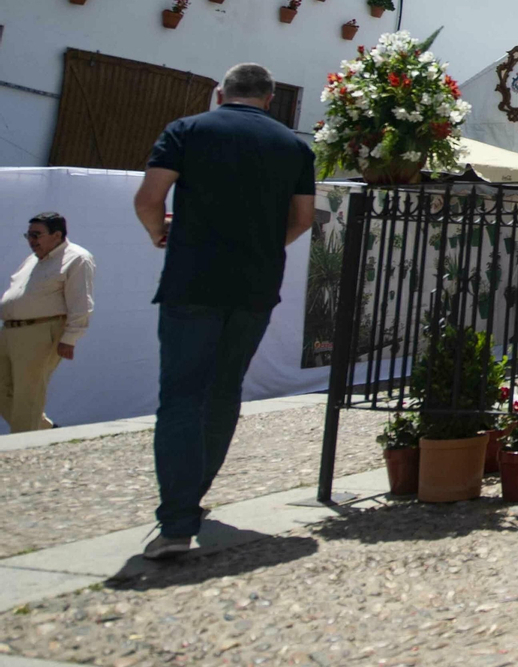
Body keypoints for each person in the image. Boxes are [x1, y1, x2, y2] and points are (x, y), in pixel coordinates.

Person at [132, 63, 316, 560]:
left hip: (193, 277)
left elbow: (150, 198)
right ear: (270, 97)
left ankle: (176, 520)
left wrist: (160, 231)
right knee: (224, 389)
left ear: (220, 93)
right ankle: (195, 496)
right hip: (255, 283)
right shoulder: (294, 146)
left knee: (181, 395)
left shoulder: (187, 130)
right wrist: (261, 246)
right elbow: (302, 218)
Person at [1, 213, 93, 433]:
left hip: (41, 331)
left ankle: (22, 447)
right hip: (10, 331)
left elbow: (81, 303)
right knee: (5, 391)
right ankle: (44, 429)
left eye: (37, 235)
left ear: (57, 235)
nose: (31, 240)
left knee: (27, 393)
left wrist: (70, 339)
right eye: (29, 235)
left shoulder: (77, 258)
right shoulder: (33, 258)